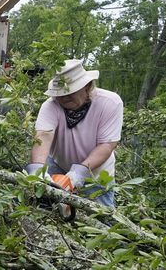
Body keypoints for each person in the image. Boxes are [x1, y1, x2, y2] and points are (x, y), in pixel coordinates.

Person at [24, 59, 123, 207]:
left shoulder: (109, 103)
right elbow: (43, 136)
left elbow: (107, 145)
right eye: (61, 93)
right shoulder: (50, 106)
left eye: (70, 92)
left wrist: (79, 172)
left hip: (97, 173)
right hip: (57, 164)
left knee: (101, 218)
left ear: (87, 86)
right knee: (42, 208)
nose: (64, 97)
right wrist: (38, 170)